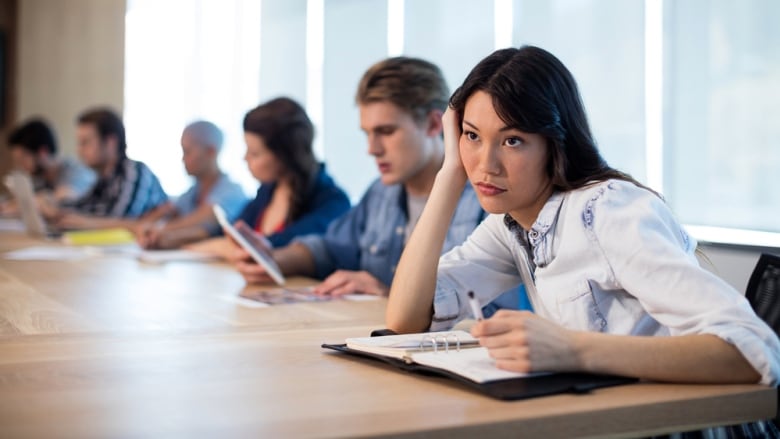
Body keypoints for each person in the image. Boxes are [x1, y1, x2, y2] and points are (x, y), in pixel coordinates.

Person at [385, 44, 780, 404]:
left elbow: (753, 351)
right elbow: (406, 319)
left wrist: (572, 349)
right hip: (608, 419)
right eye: (471, 136)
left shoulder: (607, 211)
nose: (485, 165)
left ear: (555, 143)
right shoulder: (513, 221)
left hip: (683, 426)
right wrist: (449, 176)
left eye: (513, 140)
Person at [234, 57, 497, 301]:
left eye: (386, 131)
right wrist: (274, 259)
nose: (372, 149)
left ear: (433, 124)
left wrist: (388, 296)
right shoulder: (381, 193)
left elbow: (497, 313)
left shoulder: (487, 200)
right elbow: (329, 249)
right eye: (367, 133)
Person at [189, 97, 351, 257]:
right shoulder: (268, 192)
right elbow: (232, 235)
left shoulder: (333, 202)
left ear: (285, 155)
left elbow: (271, 246)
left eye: (254, 153)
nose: (245, 158)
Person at [49, 107, 168, 229]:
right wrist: (54, 209)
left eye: (85, 142)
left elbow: (122, 220)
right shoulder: (104, 179)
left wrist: (85, 222)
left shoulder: (134, 172)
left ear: (111, 142)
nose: (79, 150)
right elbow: (83, 209)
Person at [135, 120, 247, 249]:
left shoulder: (232, 192)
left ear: (211, 151)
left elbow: (206, 220)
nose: (183, 159)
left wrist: (158, 229)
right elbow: (168, 212)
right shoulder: (192, 193)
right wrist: (151, 225)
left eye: (187, 152)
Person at [1, 118, 95, 215]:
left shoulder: (77, 172)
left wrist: (26, 203)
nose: (20, 166)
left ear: (43, 152)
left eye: (22, 159)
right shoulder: (37, 177)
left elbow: (65, 197)